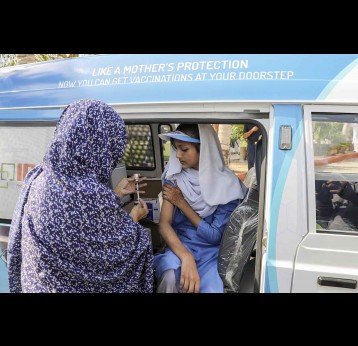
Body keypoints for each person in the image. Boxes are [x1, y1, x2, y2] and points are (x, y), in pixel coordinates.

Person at [7, 99, 154, 293]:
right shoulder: (91, 196)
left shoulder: (37, 177)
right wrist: (135, 217)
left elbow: (81, 220)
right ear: (102, 145)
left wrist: (115, 194)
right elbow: (122, 256)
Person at [154, 124, 247, 293]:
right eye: (176, 148)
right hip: (179, 246)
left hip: (211, 253)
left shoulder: (227, 186)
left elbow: (214, 236)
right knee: (169, 276)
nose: (178, 155)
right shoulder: (175, 178)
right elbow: (164, 224)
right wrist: (186, 256)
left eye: (184, 149)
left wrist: (182, 204)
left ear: (203, 149)